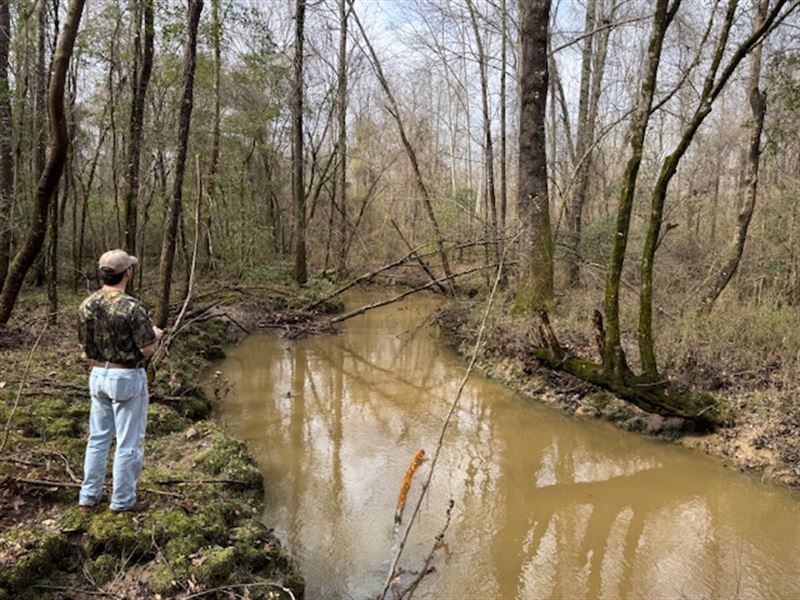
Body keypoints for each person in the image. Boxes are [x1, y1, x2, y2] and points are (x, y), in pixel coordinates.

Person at [77, 249, 163, 513]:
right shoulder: (132, 307)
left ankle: (88, 496)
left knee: (98, 439)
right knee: (128, 442)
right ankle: (123, 500)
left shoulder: (87, 305)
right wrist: (156, 334)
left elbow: (84, 347)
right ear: (127, 273)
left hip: (97, 375)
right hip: (126, 376)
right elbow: (147, 349)